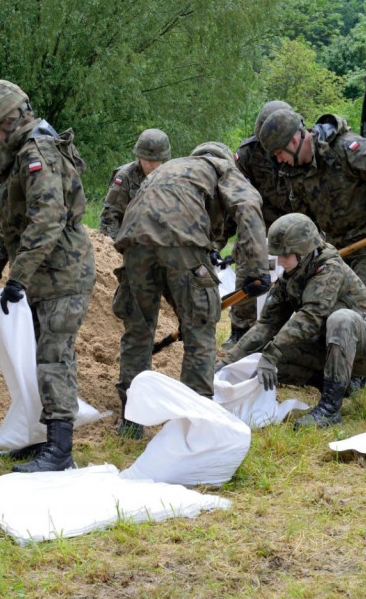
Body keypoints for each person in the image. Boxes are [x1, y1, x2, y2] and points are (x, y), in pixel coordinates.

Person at [0, 79, 95, 471]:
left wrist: (17, 277)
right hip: (45, 274)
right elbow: (11, 224)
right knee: (41, 357)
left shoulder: (37, 151)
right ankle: (46, 440)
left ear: (4, 119)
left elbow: (48, 219)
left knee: (55, 357)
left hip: (64, 272)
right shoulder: (16, 155)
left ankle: (60, 451)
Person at [112, 142, 269, 438]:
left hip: (134, 242)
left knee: (138, 332)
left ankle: (130, 420)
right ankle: (197, 421)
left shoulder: (169, 170)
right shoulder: (221, 168)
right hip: (181, 243)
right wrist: (257, 270)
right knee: (200, 330)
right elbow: (248, 205)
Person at [218, 214, 366, 428]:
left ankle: (330, 410)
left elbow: (309, 317)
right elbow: (266, 325)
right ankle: (340, 385)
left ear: (303, 251)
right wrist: (226, 362)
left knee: (341, 319)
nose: (279, 261)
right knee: (261, 359)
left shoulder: (329, 269)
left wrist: (273, 353)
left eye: (285, 255)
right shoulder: (293, 275)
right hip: (331, 347)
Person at [258, 108, 366, 311]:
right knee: (328, 310)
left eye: (279, 153)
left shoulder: (345, 148)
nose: (280, 160)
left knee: (358, 315)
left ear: (293, 141)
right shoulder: (294, 173)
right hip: (338, 248)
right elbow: (305, 222)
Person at [223, 100, 296, 348]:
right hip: (258, 224)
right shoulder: (247, 153)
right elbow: (234, 195)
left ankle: (293, 332)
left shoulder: (302, 147)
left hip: (295, 222)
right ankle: (240, 329)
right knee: (247, 267)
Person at [98, 128, 171, 240]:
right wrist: (113, 249)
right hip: (128, 241)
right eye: (146, 159)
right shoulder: (125, 176)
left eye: (153, 161)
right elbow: (110, 216)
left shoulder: (170, 177)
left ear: (162, 159)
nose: (149, 164)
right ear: (139, 156)